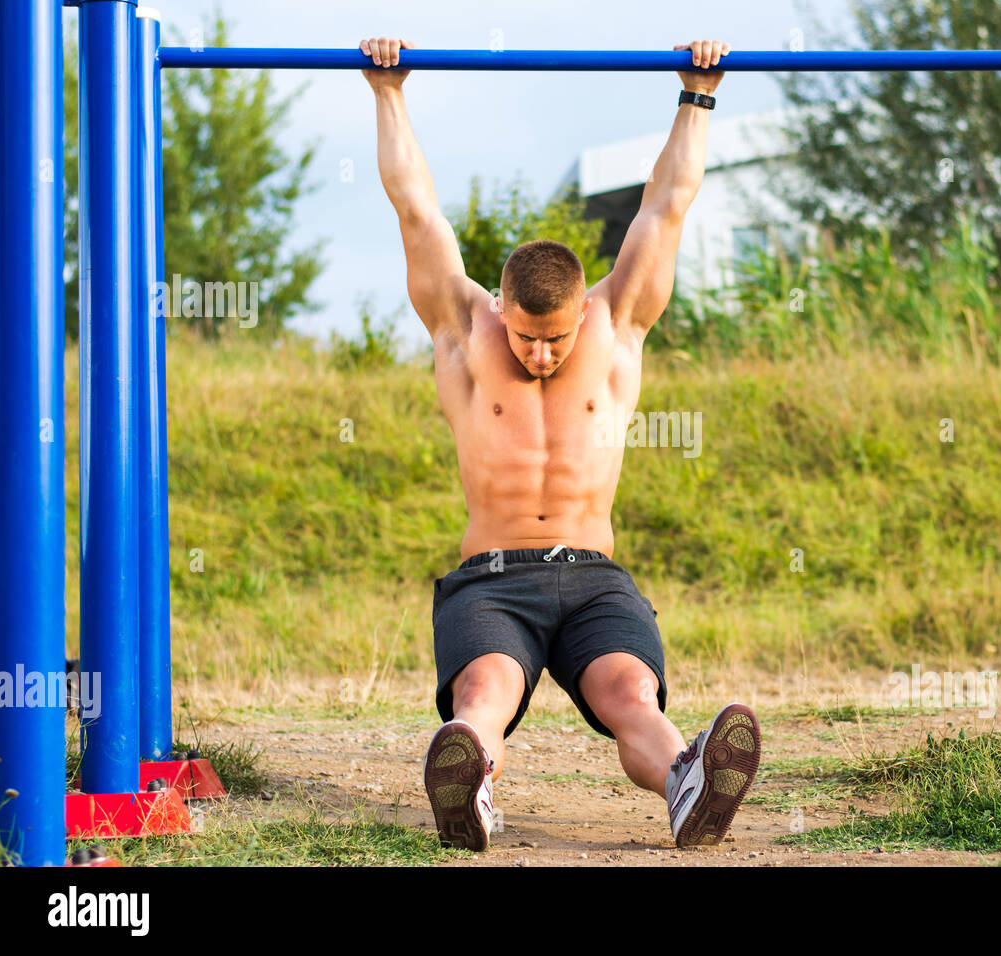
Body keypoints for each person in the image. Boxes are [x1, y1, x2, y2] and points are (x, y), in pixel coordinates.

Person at [361, 36, 760, 851]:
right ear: (499, 307)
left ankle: (688, 785)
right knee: (484, 689)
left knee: (630, 693)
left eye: (555, 339)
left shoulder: (614, 330)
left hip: (593, 578)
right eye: (526, 336)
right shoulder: (465, 333)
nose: (540, 355)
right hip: (492, 580)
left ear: (582, 315)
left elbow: (665, 207)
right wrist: (388, 92)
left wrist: (698, 94)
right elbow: (415, 210)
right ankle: (468, 784)